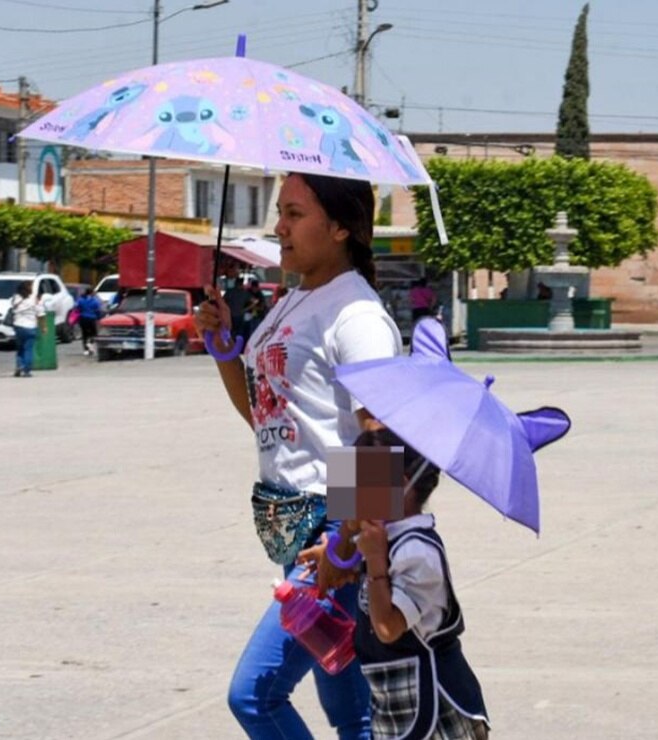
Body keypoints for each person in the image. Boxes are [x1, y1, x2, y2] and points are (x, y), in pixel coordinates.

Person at [195, 173, 402, 739]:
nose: (279, 228)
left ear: (339, 227)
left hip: (334, 529)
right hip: (298, 528)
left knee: (255, 696)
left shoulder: (355, 315)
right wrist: (224, 350)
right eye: (279, 213)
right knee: (351, 713)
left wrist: (346, 543)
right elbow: (268, 418)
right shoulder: (298, 298)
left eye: (293, 213)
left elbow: (380, 440)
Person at [350, 428, 490, 740]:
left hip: (437, 711)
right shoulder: (384, 535)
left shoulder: (417, 552)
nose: (351, 492)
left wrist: (374, 563)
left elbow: (387, 627)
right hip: (397, 704)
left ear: (402, 486)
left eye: (361, 480)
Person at [9, 280, 44, 377]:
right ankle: (26, 370)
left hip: (18, 326)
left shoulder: (16, 298)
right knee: (28, 349)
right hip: (30, 327)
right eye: (31, 286)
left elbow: (12, 307)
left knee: (20, 348)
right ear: (28, 289)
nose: (33, 288)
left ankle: (19, 366)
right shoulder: (34, 299)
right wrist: (43, 327)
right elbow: (41, 313)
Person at [74, 287, 103, 355]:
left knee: (84, 334)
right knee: (94, 334)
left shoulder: (80, 300)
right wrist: (99, 318)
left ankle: (86, 350)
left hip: (83, 319)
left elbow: (77, 308)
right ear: (91, 293)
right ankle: (90, 344)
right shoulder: (95, 301)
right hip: (92, 319)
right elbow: (98, 311)